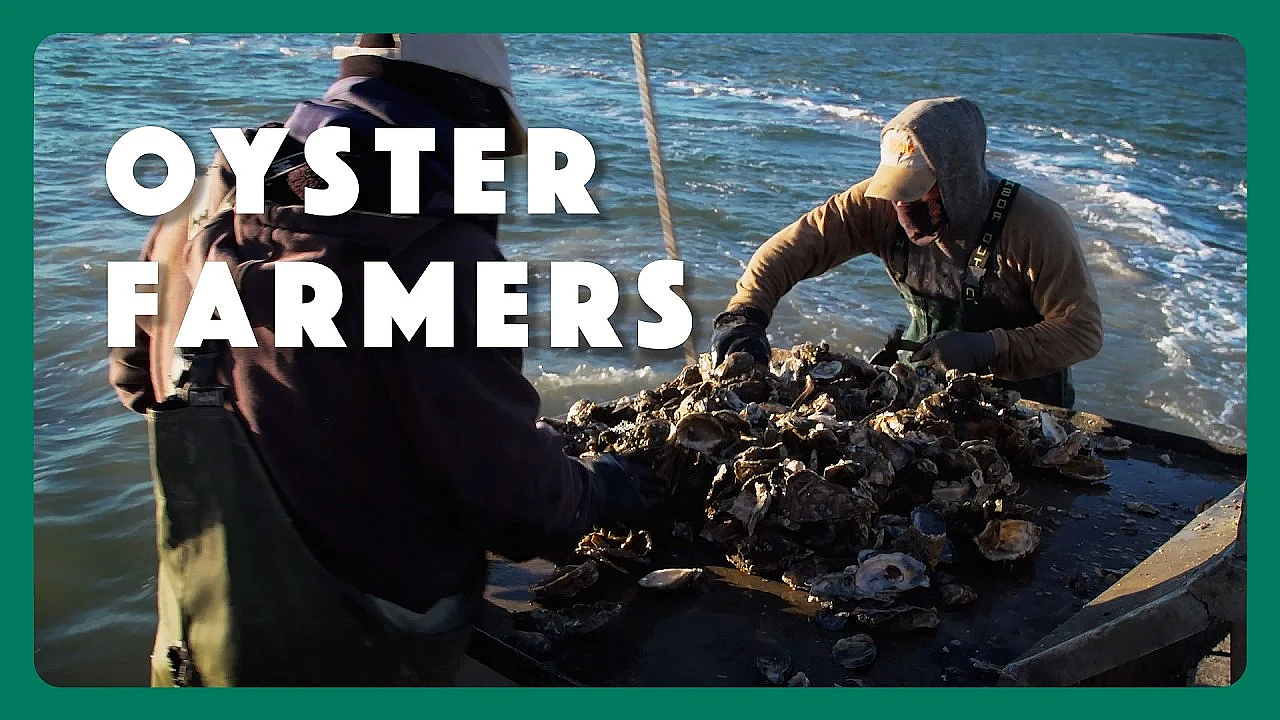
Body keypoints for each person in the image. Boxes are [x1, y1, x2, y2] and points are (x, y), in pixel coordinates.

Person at [109, 33, 663, 686]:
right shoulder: (436, 253)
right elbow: (512, 503)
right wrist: (601, 487)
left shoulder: (200, 202)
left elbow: (136, 386)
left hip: (201, 639)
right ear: (473, 111)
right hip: (362, 651)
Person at [710, 96, 1102, 408]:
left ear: (957, 181)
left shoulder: (1035, 226)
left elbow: (1082, 332)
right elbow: (793, 247)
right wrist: (745, 313)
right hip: (920, 387)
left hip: (1024, 404)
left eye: (918, 192)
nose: (903, 205)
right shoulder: (876, 204)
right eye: (896, 193)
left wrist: (987, 348)